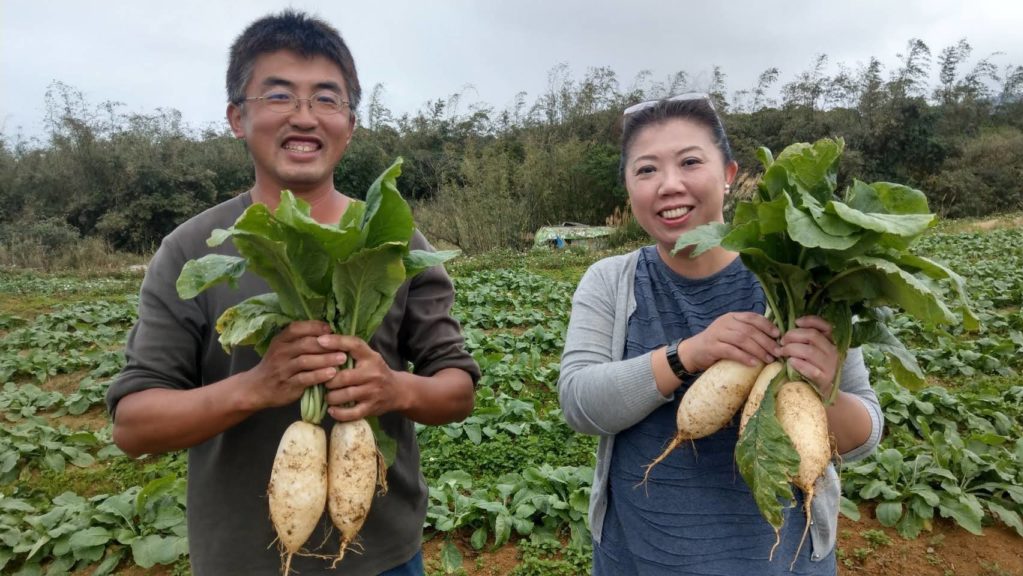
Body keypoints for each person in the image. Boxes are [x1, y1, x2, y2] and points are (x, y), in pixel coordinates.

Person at [106, 10, 479, 576]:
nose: (304, 118)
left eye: (326, 99)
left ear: (350, 123)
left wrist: (393, 387)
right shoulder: (190, 250)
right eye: (278, 96)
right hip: (239, 560)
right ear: (237, 117)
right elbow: (133, 427)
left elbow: (457, 390)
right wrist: (257, 386)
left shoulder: (392, 240)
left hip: (383, 557)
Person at [557, 94, 883, 575]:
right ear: (628, 188)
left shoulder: (810, 279)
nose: (669, 185)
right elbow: (579, 403)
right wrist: (687, 355)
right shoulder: (610, 281)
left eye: (690, 162)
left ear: (729, 174)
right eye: (646, 170)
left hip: (782, 564)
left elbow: (865, 436)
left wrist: (821, 385)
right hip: (639, 560)